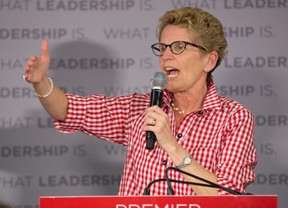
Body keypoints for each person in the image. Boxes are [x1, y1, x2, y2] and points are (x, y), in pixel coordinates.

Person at [23, 7, 257, 196]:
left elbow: (227, 199)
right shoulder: (139, 108)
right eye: (163, 47)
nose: (166, 56)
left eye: (179, 47)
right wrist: (40, 82)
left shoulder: (233, 117)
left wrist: (172, 146)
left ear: (209, 60)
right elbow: (68, 110)